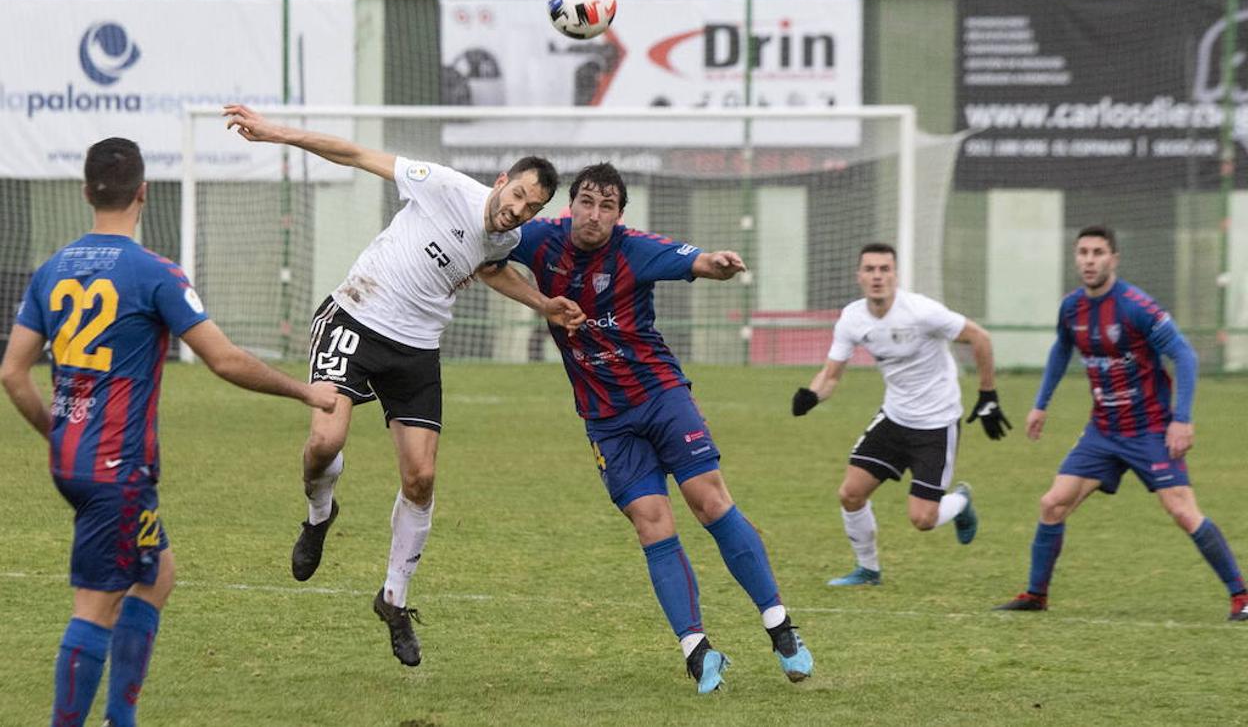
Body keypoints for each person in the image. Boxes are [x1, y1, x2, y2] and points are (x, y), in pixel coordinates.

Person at [223, 104, 585, 666]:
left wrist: (542, 304)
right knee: (325, 443)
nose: (518, 211)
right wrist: (273, 132)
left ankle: (393, 599)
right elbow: (352, 153)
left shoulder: (506, 240)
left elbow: (491, 268)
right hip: (357, 316)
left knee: (421, 477)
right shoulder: (441, 185)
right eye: (517, 196)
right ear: (501, 181)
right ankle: (320, 515)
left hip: (417, 349)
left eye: (532, 208)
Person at [0, 138, 339, 727]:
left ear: (86, 193)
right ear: (144, 193)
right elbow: (226, 360)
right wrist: (307, 391)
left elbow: (13, 371)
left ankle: (120, 720)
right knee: (96, 605)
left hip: (75, 462)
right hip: (117, 470)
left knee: (156, 575)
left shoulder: (52, 270)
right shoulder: (153, 273)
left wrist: (57, 432)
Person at [498, 162, 813, 695]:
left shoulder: (634, 249)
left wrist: (719, 263)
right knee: (651, 522)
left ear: (620, 214)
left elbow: (695, 261)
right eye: (587, 203)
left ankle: (781, 628)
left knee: (710, 503)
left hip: (661, 397)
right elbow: (486, 246)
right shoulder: (538, 239)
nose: (594, 215)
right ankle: (698, 652)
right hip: (604, 418)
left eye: (607, 206)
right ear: (569, 205)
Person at [994, 225, 1248, 620]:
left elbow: (1185, 356)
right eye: (1083, 252)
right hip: (1103, 432)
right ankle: (1035, 594)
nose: (1089, 260)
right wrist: (1040, 404)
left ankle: (1241, 597)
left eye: (1098, 252)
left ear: (1113, 259)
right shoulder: (1072, 308)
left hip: (1150, 429)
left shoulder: (1136, 306)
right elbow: (1062, 349)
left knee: (1181, 509)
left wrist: (1182, 420)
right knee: (1053, 503)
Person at [791, 242, 1008, 587]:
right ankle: (868, 570)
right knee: (850, 493)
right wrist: (812, 395)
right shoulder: (852, 318)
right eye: (870, 269)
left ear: (895, 274)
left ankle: (960, 502)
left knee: (922, 519)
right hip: (894, 418)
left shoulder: (921, 312)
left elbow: (979, 338)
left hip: (937, 424)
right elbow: (830, 375)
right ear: (859, 276)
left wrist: (988, 394)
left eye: (884, 269)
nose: (877, 276)